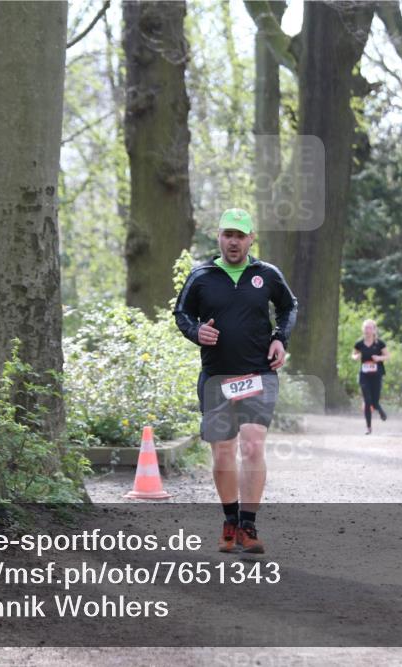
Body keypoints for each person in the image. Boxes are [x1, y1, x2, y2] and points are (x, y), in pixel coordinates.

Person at [174, 208, 298, 554]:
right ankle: (230, 520)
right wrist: (196, 331)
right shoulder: (201, 276)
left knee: (253, 445)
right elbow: (181, 313)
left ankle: (248, 526)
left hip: (258, 373)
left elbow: (289, 307)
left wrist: (280, 338)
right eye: (228, 234)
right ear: (219, 237)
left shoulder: (267, 274)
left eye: (240, 236)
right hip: (217, 376)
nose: (233, 242)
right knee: (224, 451)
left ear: (251, 239)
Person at [352, 319, 390, 434]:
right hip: (364, 375)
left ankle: (380, 410)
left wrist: (379, 358)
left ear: (374, 330)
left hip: (377, 375)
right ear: (363, 330)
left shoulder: (379, 343)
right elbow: (354, 354)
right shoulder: (359, 343)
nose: (367, 330)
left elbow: (387, 356)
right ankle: (368, 427)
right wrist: (355, 357)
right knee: (367, 400)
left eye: (369, 328)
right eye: (365, 328)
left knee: (375, 401)